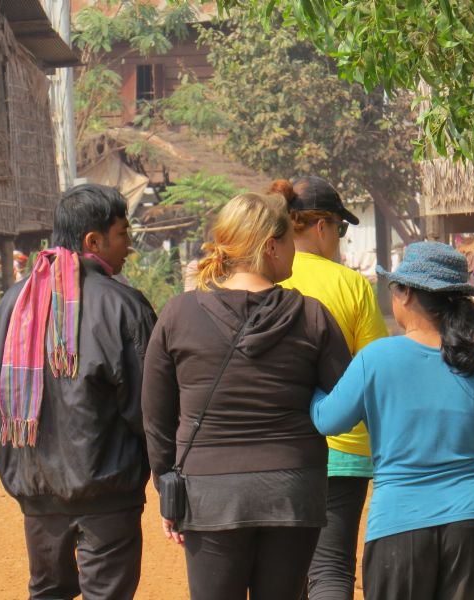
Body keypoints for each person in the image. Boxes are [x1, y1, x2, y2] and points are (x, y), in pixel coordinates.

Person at [141, 192, 352, 600]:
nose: (295, 251)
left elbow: (155, 416)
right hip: (293, 490)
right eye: (289, 240)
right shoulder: (312, 316)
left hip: (208, 493)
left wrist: (168, 486)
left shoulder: (178, 314)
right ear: (271, 246)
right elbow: (343, 401)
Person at [311, 241, 474, 600]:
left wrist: (309, 385)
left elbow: (327, 420)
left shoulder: (375, 359)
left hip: (397, 528)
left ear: (407, 294)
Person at [0, 184, 157, 600]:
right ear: (94, 240)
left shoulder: (10, 306)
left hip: (38, 493)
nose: (129, 246)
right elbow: (148, 406)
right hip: (108, 492)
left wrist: (21, 469)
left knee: (48, 593)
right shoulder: (123, 306)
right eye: (123, 234)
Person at [268, 176, 388, 600]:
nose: (340, 237)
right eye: (341, 227)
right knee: (332, 568)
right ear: (322, 226)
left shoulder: (262, 278)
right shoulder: (351, 285)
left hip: (273, 449)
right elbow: (374, 371)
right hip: (343, 450)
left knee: (280, 575)